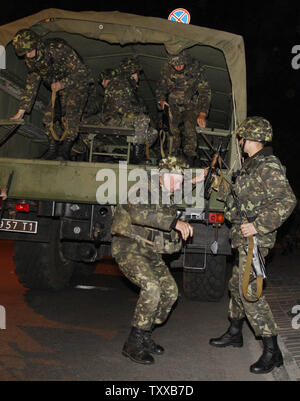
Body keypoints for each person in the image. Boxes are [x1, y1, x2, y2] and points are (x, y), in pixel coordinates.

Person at [209, 116, 297, 374]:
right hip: (243, 238)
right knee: (236, 287)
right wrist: (219, 184)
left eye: (241, 138)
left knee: (249, 293)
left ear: (249, 138)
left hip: (255, 239)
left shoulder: (267, 166)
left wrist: (259, 225)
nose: (239, 142)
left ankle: (273, 351)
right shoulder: (251, 166)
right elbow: (240, 198)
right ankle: (235, 332)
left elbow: (287, 200)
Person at [111, 156, 206, 364]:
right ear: (162, 176)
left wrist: (199, 178)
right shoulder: (142, 187)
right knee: (152, 288)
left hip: (149, 251)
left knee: (170, 293)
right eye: (176, 179)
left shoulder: (165, 191)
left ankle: (145, 335)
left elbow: (182, 187)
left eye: (181, 180)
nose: (179, 185)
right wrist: (175, 222)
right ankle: (132, 343)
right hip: (128, 247)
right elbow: (139, 213)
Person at [11, 29, 95, 161]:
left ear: (36, 44)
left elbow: (83, 71)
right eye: (24, 54)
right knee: (49, 116)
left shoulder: (58, 49)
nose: (28, 55)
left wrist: (63, 83)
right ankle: (52, 150)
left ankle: (65, 151)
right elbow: (32, 83)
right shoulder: (31, 60)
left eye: (29, 51)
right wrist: (21, 110)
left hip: (78, 84)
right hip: (58, 88)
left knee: (71, 113)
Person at [156, 50, 211, 165]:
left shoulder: (196, 70)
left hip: (191, 106)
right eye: (175, 65)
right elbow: (160, 89)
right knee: (172, 131)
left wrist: (202, 114)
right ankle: (171, 158)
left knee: (189, 127)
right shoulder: (166, 71)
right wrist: (161, 101)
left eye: (181, 64)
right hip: (173, 106)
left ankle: (190, 159)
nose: (178, 66)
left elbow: (205, 93)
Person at [99, 58, 158, 164]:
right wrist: (138, 113)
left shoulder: (127, 85)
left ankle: (132, 154)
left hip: (122, 118)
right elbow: (119, 107)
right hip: (114, 119)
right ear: (133, 73)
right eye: (136, 73)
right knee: (142, 119)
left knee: (153, 133)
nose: (138, 77)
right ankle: (137, 157)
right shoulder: (119, 83)